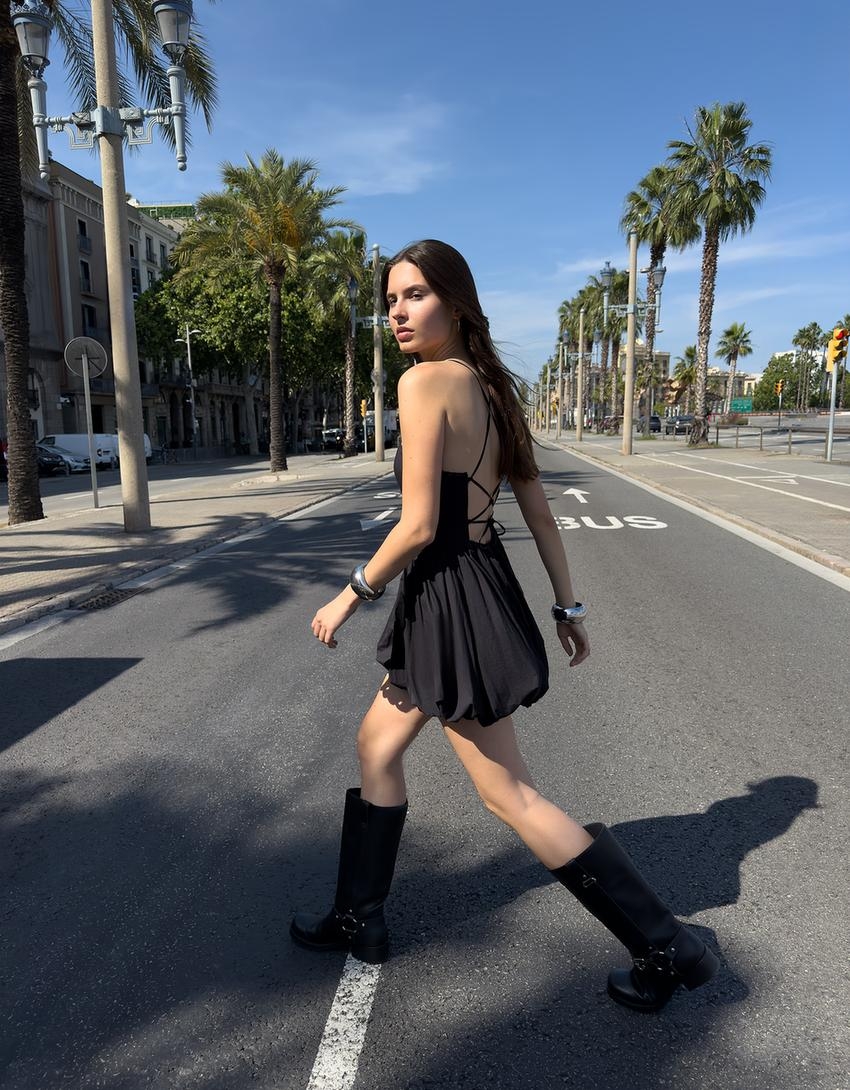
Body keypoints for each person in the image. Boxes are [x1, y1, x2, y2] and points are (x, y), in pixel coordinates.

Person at [291, 240, 718, 1012]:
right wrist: (566, 606)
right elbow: (538, 513)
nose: (398, 313)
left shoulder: (424, 383)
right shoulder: (493, 390)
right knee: (377, 745)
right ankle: (360, 917)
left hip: (447, 596)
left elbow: (419, 525)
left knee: (510, 795)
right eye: (391, 300)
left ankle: (666, 947)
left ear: (456, 304)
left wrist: (349, 593)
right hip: (469, 588)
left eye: (415, 295)